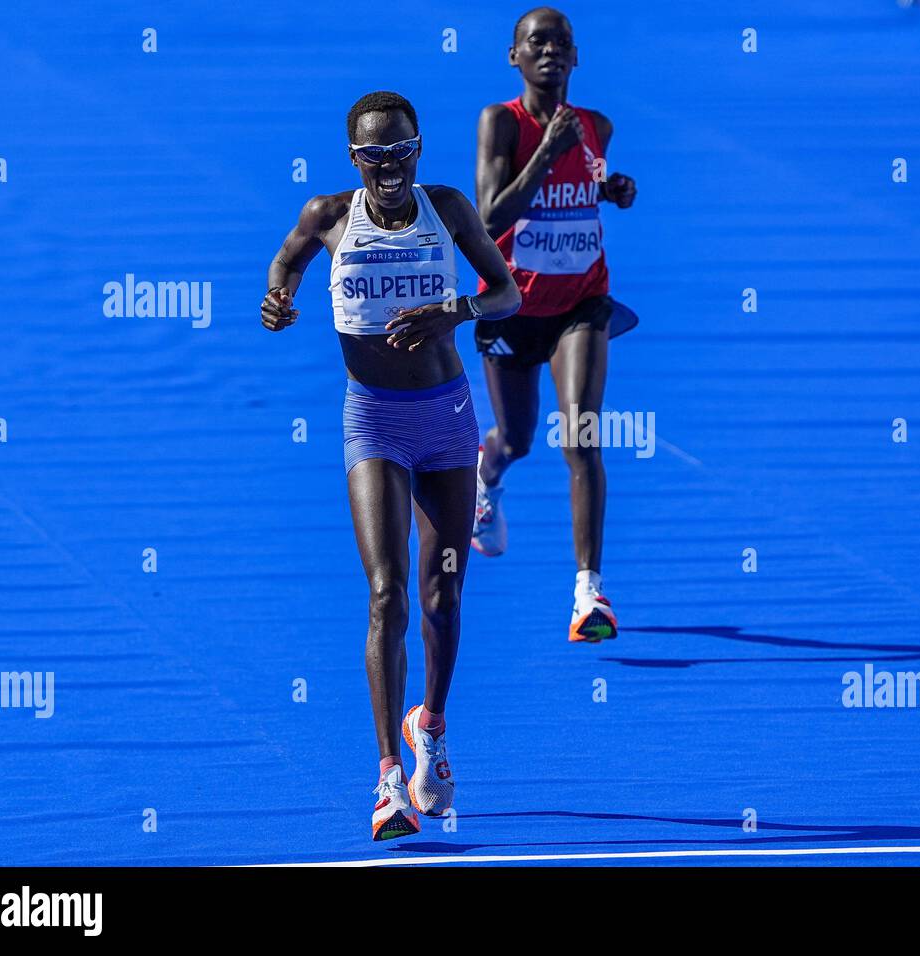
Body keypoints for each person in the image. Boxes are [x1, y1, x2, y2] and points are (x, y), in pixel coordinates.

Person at [261, 91, 521, 840]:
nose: (390, 168)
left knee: (441, 598)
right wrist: (278, 299)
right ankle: (385, 781)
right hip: (373, 418)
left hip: (446, 420)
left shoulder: (448, 210)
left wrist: (455, 312)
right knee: (387, 593)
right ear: (354, 160)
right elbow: (284, 264)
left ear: (418, 148)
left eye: (402, 151)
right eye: (374, 156)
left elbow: (502, 291)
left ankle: (429, 731)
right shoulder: (329, 217)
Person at [471, 6, 639, 644]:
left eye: (560, 43)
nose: (549, 51)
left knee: (582, 436)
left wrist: (612, 188)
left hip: (581, 304)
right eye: (535, 42)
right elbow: (490, 216)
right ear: (514, 56)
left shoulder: (597, 126)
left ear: (576, 58)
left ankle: (588, 593)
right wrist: (546, 151)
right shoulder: (501, 123)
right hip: (512, 306)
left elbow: (584, 183)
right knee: (517, 441)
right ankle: (488, 477)